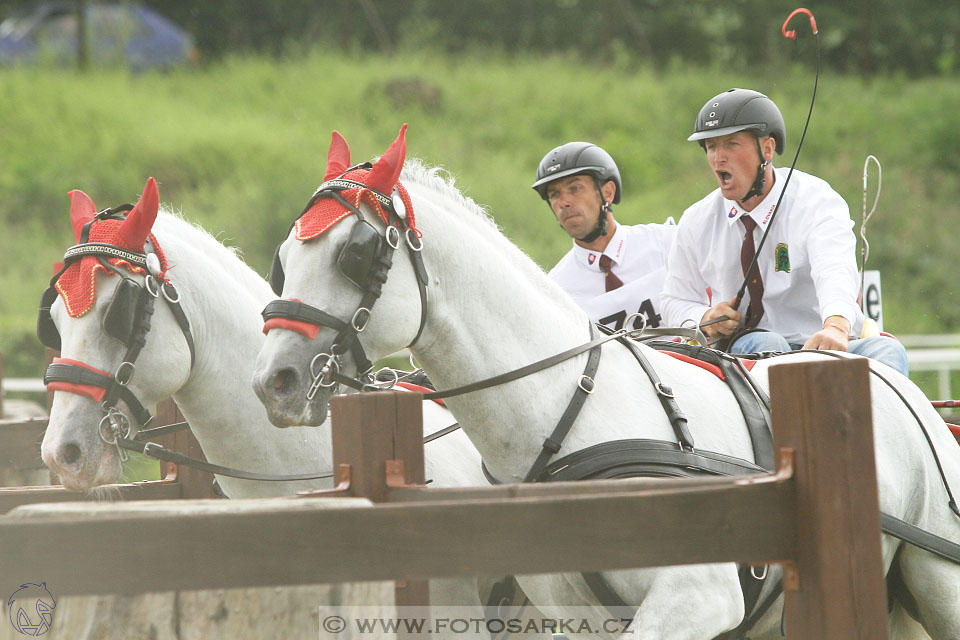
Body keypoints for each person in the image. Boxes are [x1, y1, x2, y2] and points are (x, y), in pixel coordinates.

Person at [660, 88, 908, 375]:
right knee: (766, 341)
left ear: (767, 149)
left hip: (819, 344)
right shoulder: (696, 219)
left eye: (731, 144)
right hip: (747, 350)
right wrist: (704, 317)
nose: (718, 158)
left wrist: (836, 326)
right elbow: (674, 299)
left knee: (887, 350)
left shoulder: (816, 200)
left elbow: (834, 269)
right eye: (711, 146)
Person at [533, 142, 677, 331]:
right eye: (554, 194)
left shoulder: (666, 242)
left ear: (607, 192)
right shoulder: (556, 291)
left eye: (575, 189)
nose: (564, 202)